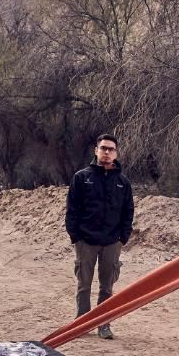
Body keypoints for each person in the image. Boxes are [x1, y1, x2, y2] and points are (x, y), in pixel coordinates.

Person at [65, 133, 133, 339]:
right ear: (96, 151)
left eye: (111, 149)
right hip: (85, 241)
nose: (107, 152)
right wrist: (75, 235)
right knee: (84, 284)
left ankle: (103, 325)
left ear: (116, 153)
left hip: (112, 242)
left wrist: (123, 237)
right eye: (103, 148)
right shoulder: (82, 177)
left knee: (107, 286)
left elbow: (128, 211)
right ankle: (82, 323)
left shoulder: (122, 182)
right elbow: (72, 209)